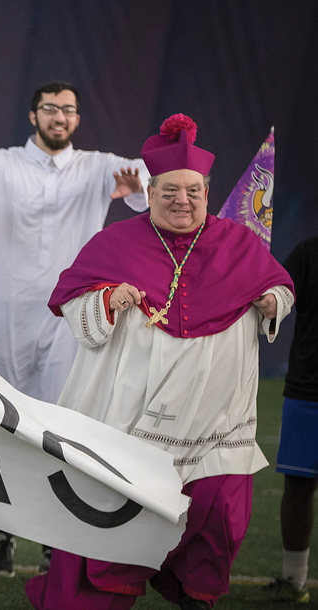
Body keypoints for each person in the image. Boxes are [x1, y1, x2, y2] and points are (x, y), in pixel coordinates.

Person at [26, 114, 295, 610]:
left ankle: (195, 596)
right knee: (114, 527)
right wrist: (107, 299)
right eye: (170, 191)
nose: (182, 201)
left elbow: (279, 286)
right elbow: (72, 305)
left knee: (217, 519)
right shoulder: (113, 244)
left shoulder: (238, 244)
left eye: (193, 191)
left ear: (207, 194)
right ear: (150, 192)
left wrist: (273, 303)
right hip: (133, 416)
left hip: (217, 419)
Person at [0, 80, 150, 577]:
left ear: (76, 118)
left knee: (63, 425)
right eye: (51, 109)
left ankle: (56, 538)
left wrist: (136, 193)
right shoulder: (2, 163)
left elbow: (149, 187)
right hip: (6, 315)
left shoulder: (98, 167)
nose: (60, 118)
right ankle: (1, 533)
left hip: (71, 318)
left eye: (69, 110)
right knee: (7, 424)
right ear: (34, 116)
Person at [254, 235, 318, 603]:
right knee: (298, 485)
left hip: (305, 385)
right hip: (308, 387)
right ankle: (293, 580)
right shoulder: (310, 250)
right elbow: (279, 286)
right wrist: (270, 298)